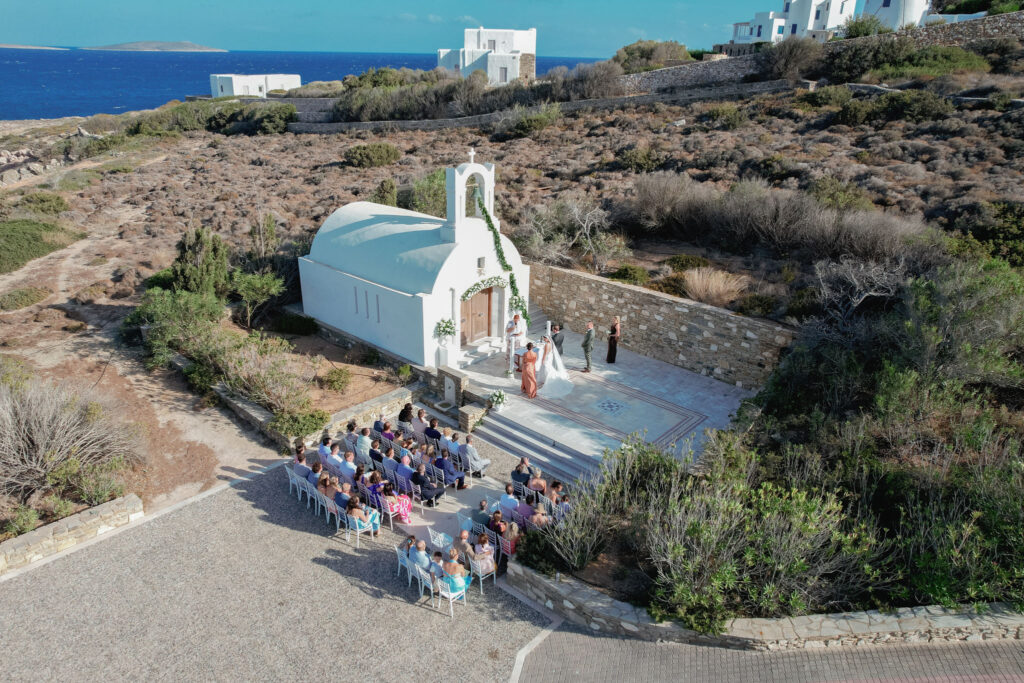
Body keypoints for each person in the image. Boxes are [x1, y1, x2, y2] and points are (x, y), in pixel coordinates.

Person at [537, 333, 574, 399]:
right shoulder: (551, 344)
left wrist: (542, 360)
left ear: (546, 338)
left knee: (546, 369)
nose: (543, 339)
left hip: (547, 358)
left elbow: (545, 354)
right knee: (548, 368)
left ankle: (548, 379)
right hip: (549, 358)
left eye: (544, 338)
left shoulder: (546, 345)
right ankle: (545, 379)